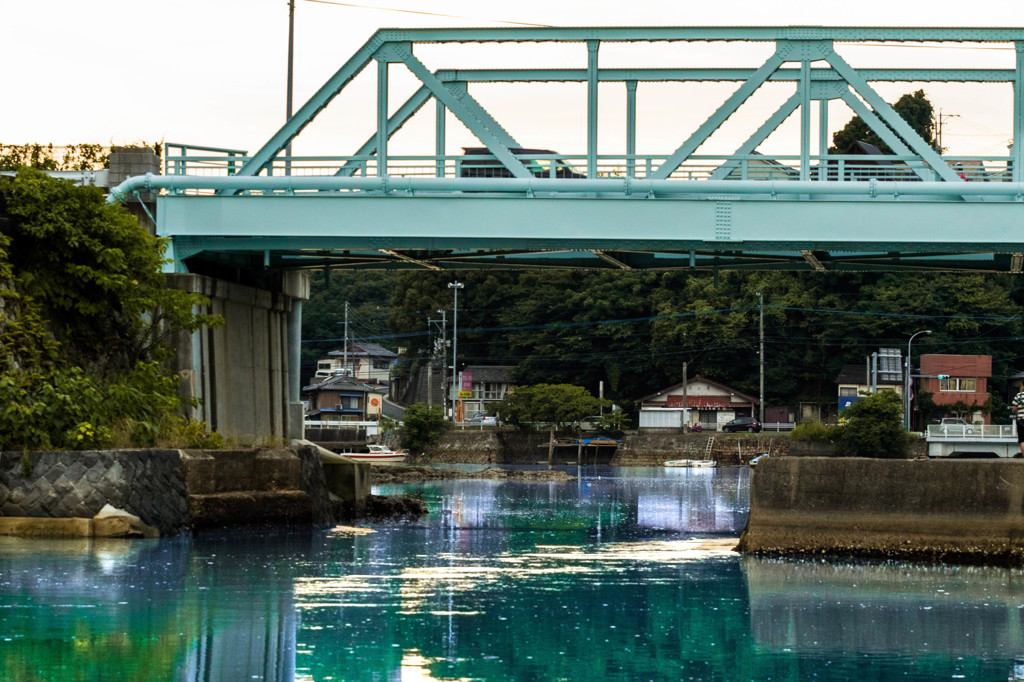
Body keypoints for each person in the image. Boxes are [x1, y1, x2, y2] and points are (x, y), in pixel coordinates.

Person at [1012, 383, 1024, 457]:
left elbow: (1014, 408)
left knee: (1023, 440)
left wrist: (1017, 413)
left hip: (1021, 420)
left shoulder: (1019, 395)